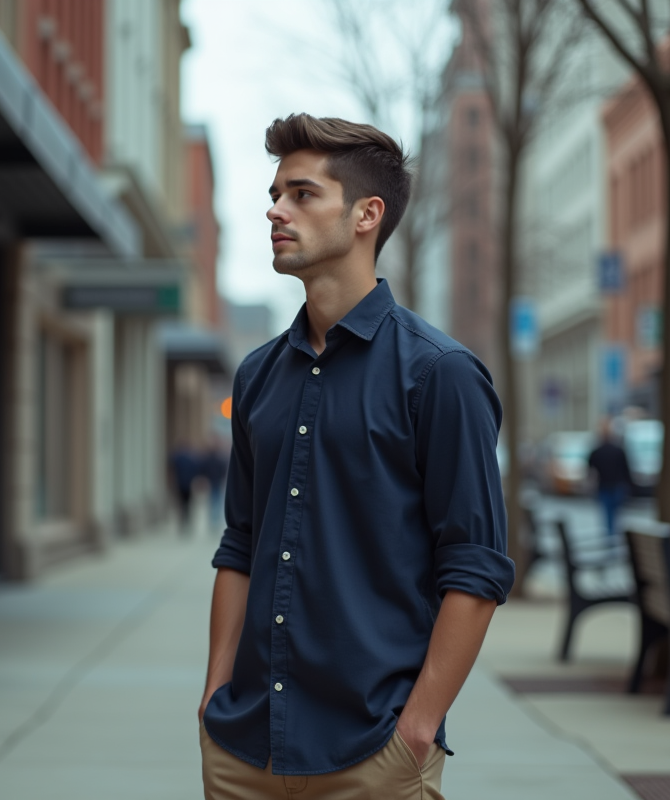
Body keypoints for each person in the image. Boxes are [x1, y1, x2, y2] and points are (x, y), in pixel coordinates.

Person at [197, 114, 514, 799]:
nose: (275, 209)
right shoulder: (257, 376)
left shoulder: (441, 375)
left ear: (367, 214)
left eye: (302, 194)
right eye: (277, 192)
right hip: (244, 748)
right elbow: (241, 547)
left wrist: (417, 730)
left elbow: (477, 569)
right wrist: (213, 696)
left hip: (373, 755)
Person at [587, 418, 633, 538]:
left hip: (604, 486)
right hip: (616, 486)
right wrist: (630, 486)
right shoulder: (618, 451)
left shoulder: (596, 451)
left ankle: (610, 536)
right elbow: (626, 469)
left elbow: (590, 469)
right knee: (616, 513)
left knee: (608, 514)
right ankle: (614, 536)